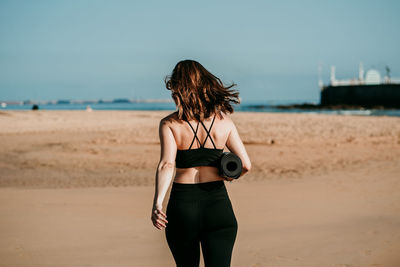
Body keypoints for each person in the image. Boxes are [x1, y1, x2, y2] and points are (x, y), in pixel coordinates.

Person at [151, 59, 251, 267]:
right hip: (218, 206)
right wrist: (228, 174)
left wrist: (158, 203)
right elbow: (246, 165)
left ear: (179, 87)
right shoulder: (225, 123)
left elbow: (166, 165)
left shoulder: (169, 124)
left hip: (183, 206)